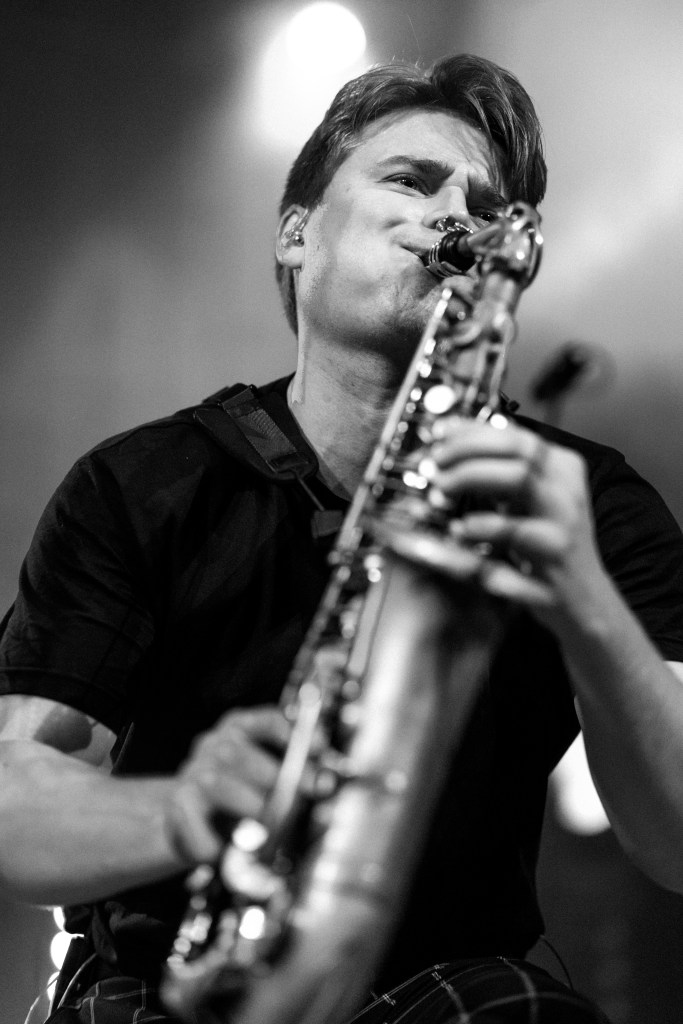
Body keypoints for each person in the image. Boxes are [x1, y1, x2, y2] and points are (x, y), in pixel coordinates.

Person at [1, 53, 683, 1024]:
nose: (454, 218)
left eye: (486, 206)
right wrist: (179, 807)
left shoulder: (585, 503)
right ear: (295, 234)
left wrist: (584, 595)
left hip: (447, 985)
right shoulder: (142, 484)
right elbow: (14, 799)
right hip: (169, 980)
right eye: (411, 180)